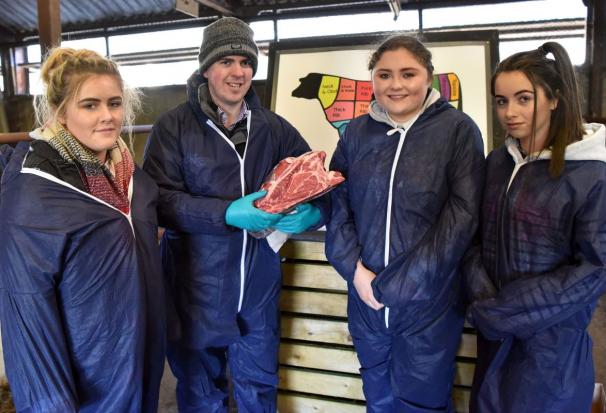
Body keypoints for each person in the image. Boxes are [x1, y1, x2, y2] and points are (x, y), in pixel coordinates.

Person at [142, 16, 329, 412]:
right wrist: (226, 213)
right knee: (200, 393)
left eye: (246, 62)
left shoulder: (274, 129)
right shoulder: (173, 128)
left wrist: (313, 213)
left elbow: (319, 180)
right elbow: (158, 201)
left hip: (256, 288)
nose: (238, 71)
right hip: (194, 288)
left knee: (257, 389)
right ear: (206, 68)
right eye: (226, 61)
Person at [325, 34, 486, 412]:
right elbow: (337, 201)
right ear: (373, 80)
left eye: (408, 74)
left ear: (428, 77)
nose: (396, 85)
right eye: (384, 75)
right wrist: (356, 273)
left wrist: (398, 285)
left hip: (428, 303)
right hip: (365, 299)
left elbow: (462, 215)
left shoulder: (458, 131)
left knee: (422, 403)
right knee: (378, 398)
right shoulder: (356, 133)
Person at [0, 47, 166, 412]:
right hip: (88, 378)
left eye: (114, 103)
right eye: (90, 105)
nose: (108, 116)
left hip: (139, 359)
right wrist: (50, 404)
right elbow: (26, 310)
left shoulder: (130, 176)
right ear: (61, 112)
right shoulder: (35, 192)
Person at [463, 41, 606, 413]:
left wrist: (506, 310)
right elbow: (474, 238)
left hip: (550, 345)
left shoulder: (590, 175)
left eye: (523, 99)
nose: (510, 112)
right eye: (501, 101)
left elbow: (598, 269)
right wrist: (483, 296)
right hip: (493, 336)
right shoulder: (497, 163)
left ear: (554, 99)